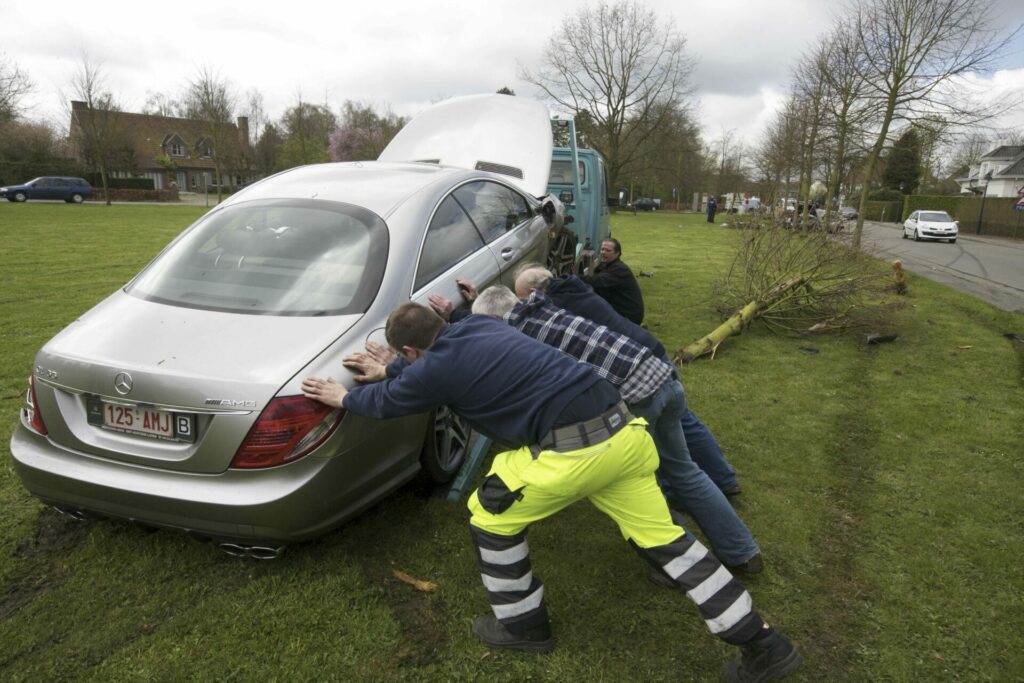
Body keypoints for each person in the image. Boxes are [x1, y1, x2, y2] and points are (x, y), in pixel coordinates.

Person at [302, 303, 801, 682]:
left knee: (489, 515)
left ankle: (523, 626)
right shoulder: (483, 325)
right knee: (667, 540)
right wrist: (394, 368)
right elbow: (435, 370)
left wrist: (345, 395)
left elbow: (389, 401)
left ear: (411, 351)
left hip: (573, 454)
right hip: (626, 435)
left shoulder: (431, 369)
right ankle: (764, 644)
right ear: (440, 322)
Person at [467, 284, 762, 572]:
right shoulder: (545, 307)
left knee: (640, 487)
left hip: (636, 398)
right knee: (684, 470)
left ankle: (677, 564)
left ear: (495, 321)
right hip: (663, 377)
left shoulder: (518, 337)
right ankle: (743, 552)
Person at [511, 265, 743, 497]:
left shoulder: (556, 306)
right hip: (650, 349)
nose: (522, 306)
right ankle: (724, 478)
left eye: (522, 298)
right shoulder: (573, 288)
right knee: (684, 420)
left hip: (636, 362)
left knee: (650, 433)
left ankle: (675, 490)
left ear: (533, 291)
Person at [580, 237, 645, 324]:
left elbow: (597, 281)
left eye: (608, 250)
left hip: (628, 317)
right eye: (602, 249)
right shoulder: (608, 266)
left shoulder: (620, 270)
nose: (603, 252)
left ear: (617, 253)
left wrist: (574, 277)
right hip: (620, 311)